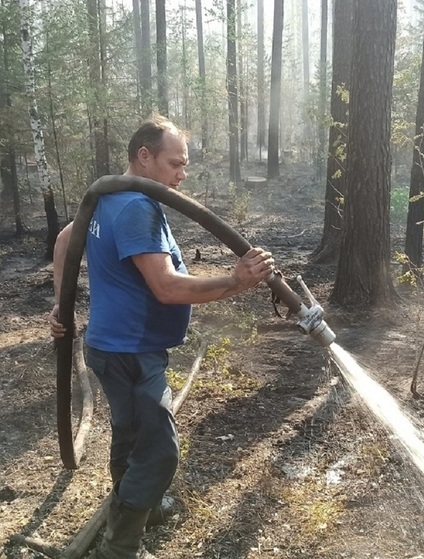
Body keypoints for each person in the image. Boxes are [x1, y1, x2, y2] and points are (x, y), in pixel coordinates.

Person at [49, 115, 274, 559]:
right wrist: (235, 282)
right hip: (130, 351)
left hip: (114, 348)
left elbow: (63, 240)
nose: (182, 174)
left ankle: (142, 510)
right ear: (145, 157)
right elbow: (167, 288)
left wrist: (62, 302)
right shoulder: (134, 206)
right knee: (160, 453)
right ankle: (119, 548)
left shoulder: (107, 196)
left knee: (130, 433)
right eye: (175, 163)